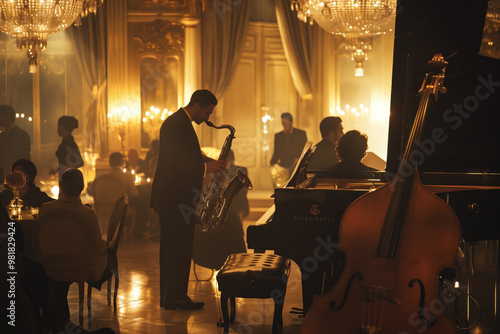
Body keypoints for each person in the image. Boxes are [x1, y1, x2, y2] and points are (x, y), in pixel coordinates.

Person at [150, 89, 226, 310]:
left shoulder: (180, 122)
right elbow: (176, 162)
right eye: (207, 112)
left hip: (176, 198)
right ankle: (174, 298)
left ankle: (173, 296)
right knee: (177, 248)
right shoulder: (177, 124)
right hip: (175, 199)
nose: (208, 118)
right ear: (196, 106)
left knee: (178, 248)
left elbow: (187, 153)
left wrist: (209, 160)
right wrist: (206, 166)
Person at [38, 169, 114, 318]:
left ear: (61, 186)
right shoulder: (87, 213)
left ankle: (57, 319)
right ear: (82, 187)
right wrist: (106, 246)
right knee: (108, 258)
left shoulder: (46, 209)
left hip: (49, 263)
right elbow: (97, 246)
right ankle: (60, 320)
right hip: (78, 265)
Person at [193, 150, 249, 270]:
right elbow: (202, 195)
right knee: (231, 220)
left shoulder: (208, 170)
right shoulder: (200, 173)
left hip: (211, 211)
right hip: (202, 216)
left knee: (232, 217)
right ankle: (236, 264)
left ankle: (238, 263)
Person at [269, 112, 307, 185]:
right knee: (278, 181)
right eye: (283, 123)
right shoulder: (278, 136)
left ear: (291, 122)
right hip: (283, 164)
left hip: (296, 164)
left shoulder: (300, 134)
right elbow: (276, 151)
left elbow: (305, 149)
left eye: (286, 122)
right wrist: (273, 162)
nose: (284, 125)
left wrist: (299, 158)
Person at [0, 105, 31, 173]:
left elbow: (24, 159)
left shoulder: (21, 135)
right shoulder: (2, 135)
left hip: (16, 177)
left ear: (8, 117)